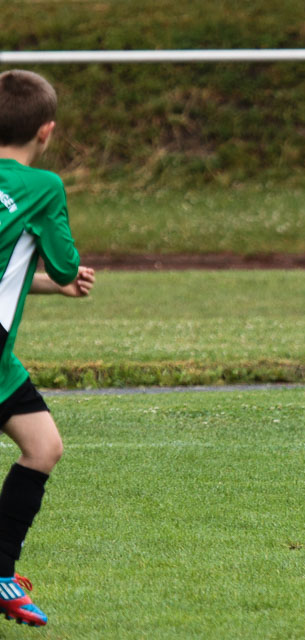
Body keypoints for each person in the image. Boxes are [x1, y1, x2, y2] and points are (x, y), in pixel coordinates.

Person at [0, 69, 95, 626]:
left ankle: (2, 571)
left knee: (43, 444)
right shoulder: (41, 187)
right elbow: (62, 261)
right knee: (42, 449)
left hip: (2, 365)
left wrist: (48, 287)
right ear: (47, 131)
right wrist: (62, 276)